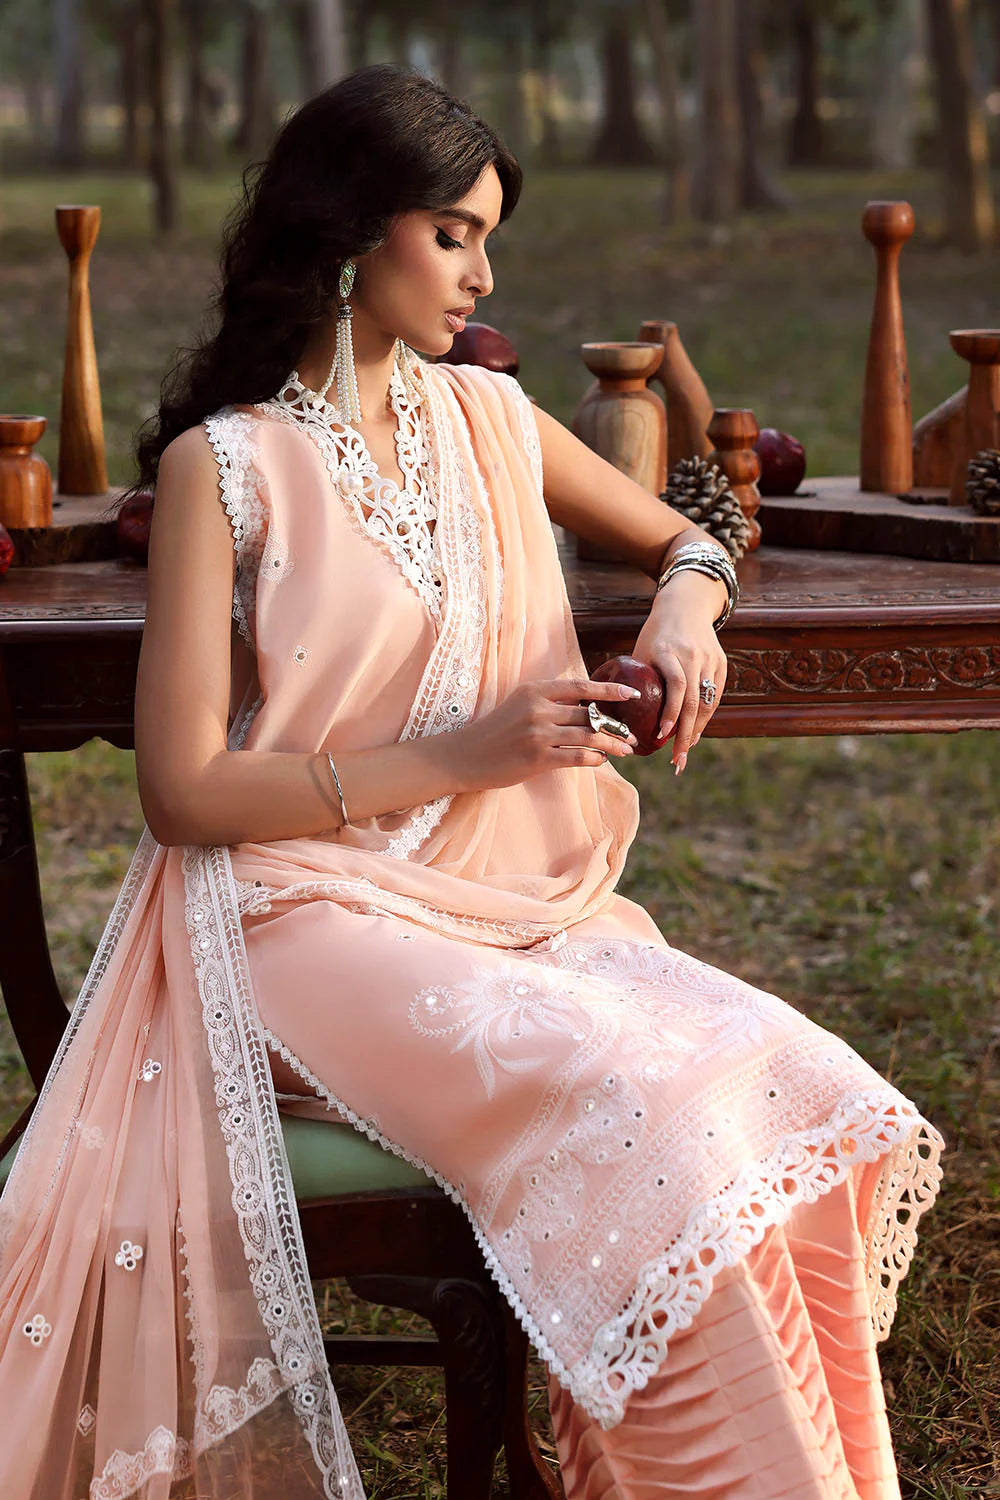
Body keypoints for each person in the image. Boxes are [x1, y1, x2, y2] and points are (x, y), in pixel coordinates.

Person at [0, 64, 943, 1500]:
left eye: (486, 238)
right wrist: (465, 753)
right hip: (291, 918)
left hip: (505, 903)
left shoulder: (489, 420)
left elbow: (691, 538)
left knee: (778, 1073)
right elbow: (182, 795)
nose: (482, 273)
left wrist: (688, 611)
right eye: (452, 234)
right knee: (644, 1106)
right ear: (348, 231)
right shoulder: (225, 467)